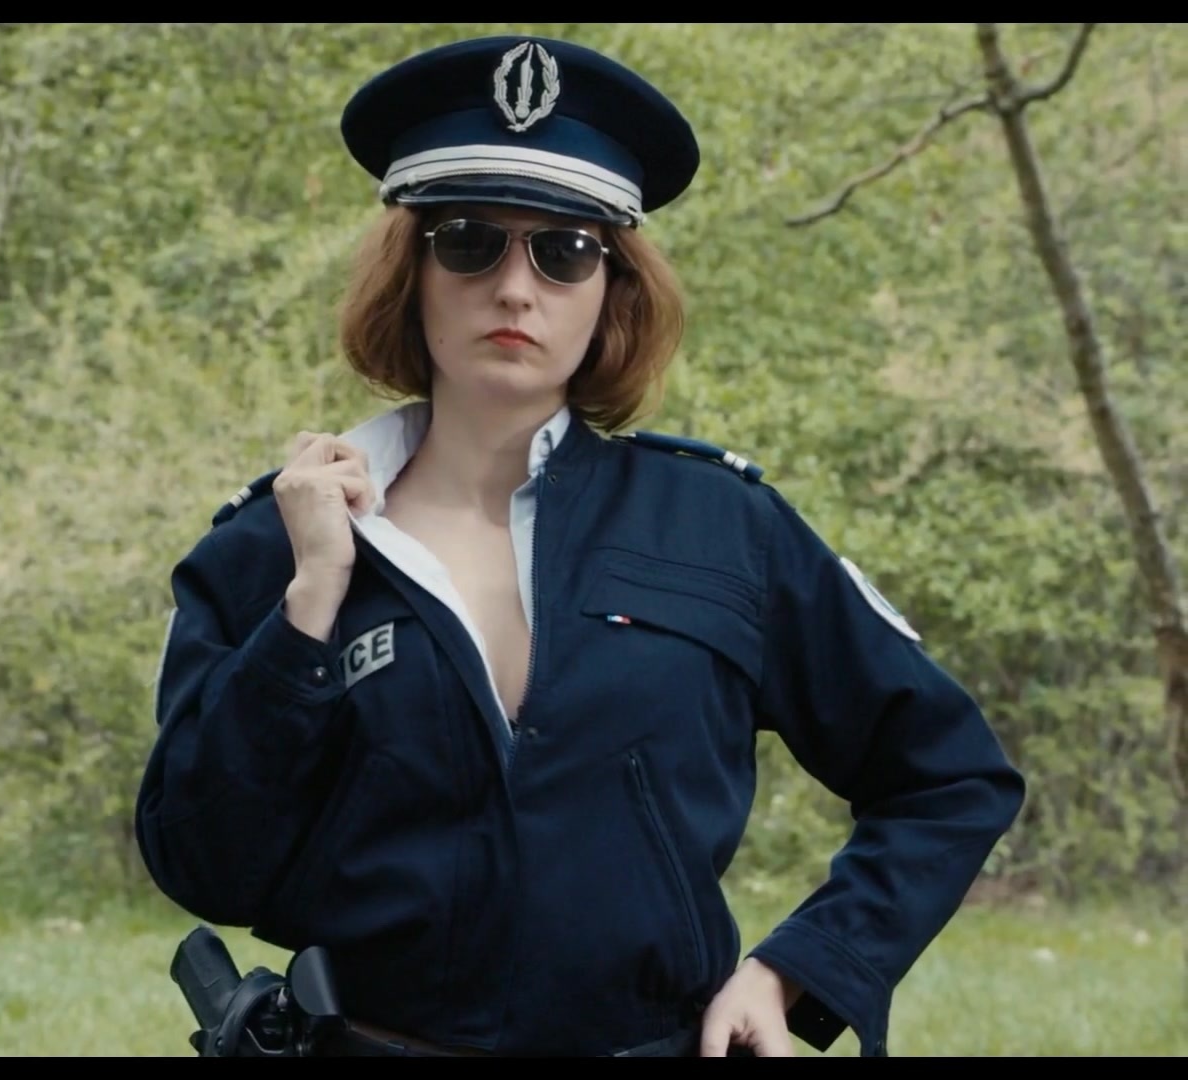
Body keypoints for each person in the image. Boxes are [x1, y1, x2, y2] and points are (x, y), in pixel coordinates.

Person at [133, 33, 1024, 1058]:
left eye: (564, 251)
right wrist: (310, 604)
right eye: (470, 241)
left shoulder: (722, 528)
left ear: (612, 287)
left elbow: (951, 776)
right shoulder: (274, 545)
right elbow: (203, 862)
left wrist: (798, 970)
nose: (516, 289)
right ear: (410, 269)